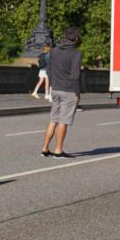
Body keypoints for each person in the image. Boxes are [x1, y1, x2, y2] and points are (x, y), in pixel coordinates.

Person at [41, 27, 83, 158]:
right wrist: (78, 93)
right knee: (63, 121)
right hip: (69, 90)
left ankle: (45, 149)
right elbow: (75, 75)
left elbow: (48, 71)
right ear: (76, 39)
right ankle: (58, 151)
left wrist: (53, 84)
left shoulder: (54, 51)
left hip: (56, 89)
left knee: (53, 120)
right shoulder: (76, 54)